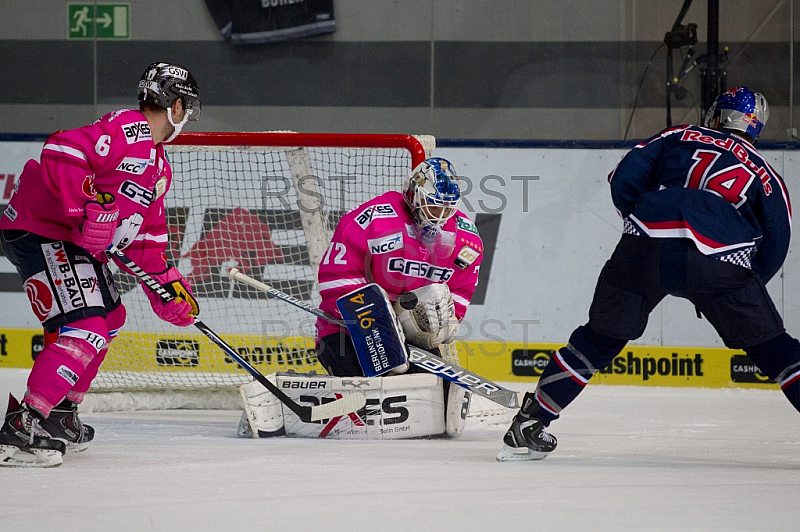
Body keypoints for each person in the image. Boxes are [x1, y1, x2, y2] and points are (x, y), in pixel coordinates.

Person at [497, 86, 800, 461]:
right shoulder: (767, 174)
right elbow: (776, 243)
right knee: (775, 349)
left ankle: (530, 423)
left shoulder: (678, 135)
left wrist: (639, 221)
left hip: (645, 241)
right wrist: (743, 284)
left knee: (598, 340)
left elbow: (624, 177)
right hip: (719, 260)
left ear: (717, 116)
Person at [0, 62, 202, 468]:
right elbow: (62, 148)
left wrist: (167, 287)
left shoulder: (159, 168)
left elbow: (147, 241)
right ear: (175, 105)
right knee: (86, 328)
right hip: (40, 230)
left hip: (69, 241)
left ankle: (60, 414)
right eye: (187, 108)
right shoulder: (129, 129)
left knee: (111, 317)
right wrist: (87, 206)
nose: (187, 117)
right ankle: (22, 426)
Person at [315, 156, 483, 377]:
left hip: (415, 337)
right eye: (432, 205)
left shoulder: (465, 240)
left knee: (435, 390)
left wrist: (447, 319)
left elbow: (461, 288)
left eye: (446, 208)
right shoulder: (374, 219)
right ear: (413, 195)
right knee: (369, 393)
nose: (439, 217)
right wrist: (381, 327)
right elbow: (334, 279)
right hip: (347, 331)